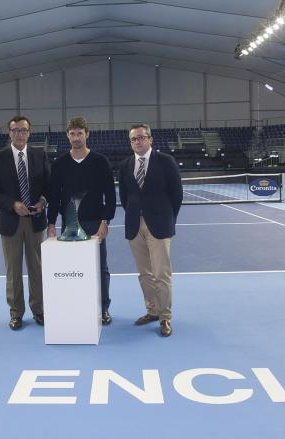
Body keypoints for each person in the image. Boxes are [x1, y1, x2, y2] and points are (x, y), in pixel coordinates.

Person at [47, 117, 116, 325]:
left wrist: (106, 221)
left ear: (87, 134)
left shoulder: (100, 161)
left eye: (80, 133)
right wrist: (51, 223)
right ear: (67, 136)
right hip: (69, 226)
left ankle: (103, 308)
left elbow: (110, 195)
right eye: (72, 133)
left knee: (100, 268)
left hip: (95, 224)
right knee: (71, 269)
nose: (76, 137)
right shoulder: (59, 164)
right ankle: (77, 307)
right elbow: (54, 196)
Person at [0, 116, 50, 330]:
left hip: (35, 221)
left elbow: (49, 186)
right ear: (9, 133)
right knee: (13, 270)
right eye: (15, 130)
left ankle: (39, 310)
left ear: (29, 133)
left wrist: (42, 201)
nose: (19, 134)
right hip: (9, 221)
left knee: (37, 268)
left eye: (23, 130)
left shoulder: (40, 155)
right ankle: (16, 313)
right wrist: (13, 204)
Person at [118, 123, 183, 337]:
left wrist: (167, 218)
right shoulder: (126, 164)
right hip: (134, 225)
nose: (137, 141)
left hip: (160, 225)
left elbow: (176, 195)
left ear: (150, 139)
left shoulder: (165, 161)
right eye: (133, 139)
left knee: (161, 274)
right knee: (145, 274)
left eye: (141, 137)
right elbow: (125, 198)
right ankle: (152, 311)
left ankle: (165, 317)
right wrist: (136, 215)